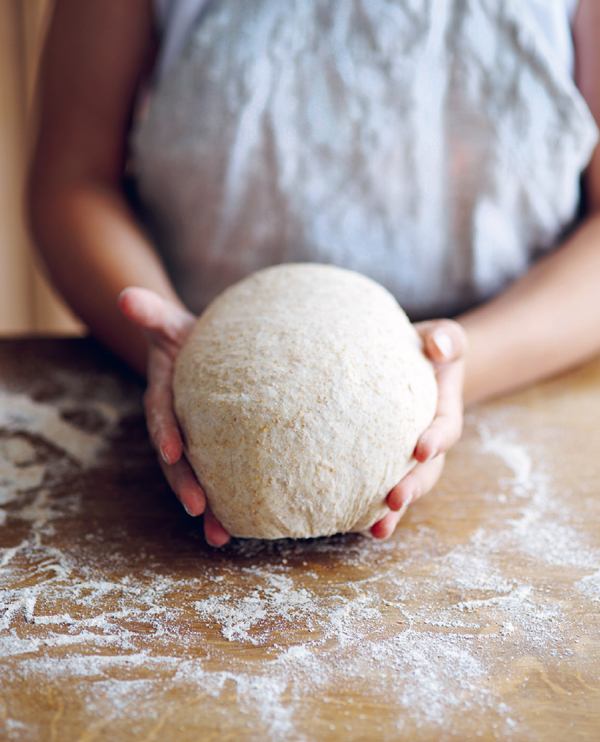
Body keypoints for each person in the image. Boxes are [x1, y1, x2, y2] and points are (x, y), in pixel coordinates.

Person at [28, 0, 600, 547]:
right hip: (208, 378)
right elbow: (74, 181)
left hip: (521, 386)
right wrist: (168, 342)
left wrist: (452, 368)